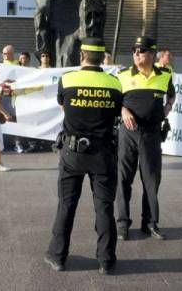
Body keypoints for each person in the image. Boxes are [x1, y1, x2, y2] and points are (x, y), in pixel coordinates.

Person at [44, 37, 123, 275]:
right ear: (102, 58)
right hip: (104, 153)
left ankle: (58, 256)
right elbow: (117, 111)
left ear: (81, 56)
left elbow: (63, 104)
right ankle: (106, 260)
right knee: (104, 207)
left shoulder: (67, 79)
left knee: (66, 205)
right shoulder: (115, 83)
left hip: (73, 152)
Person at [116, 36, 176, 242]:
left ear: (152, 54)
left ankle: (149, 223)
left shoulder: (165, 74)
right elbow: (114, 102)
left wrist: (167, 108)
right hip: (128, 134)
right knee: (123, 179)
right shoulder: (123, 75)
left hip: (151, 134)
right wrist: (123, 110)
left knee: (151, 180)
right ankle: (123, 224)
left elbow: (172, 95)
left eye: (140, 50)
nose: (136, 54)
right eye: (134, 50)